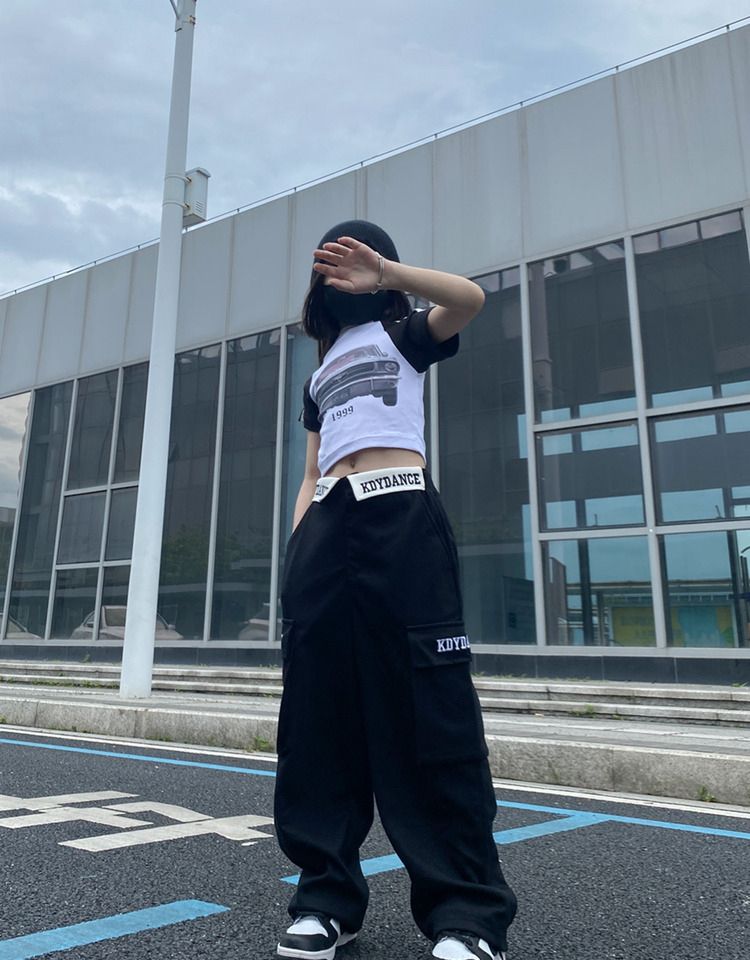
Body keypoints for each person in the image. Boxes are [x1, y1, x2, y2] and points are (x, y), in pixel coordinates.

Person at [274, 220, 517, 960]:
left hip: (401, 514)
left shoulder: (405, 335)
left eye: (355, 259)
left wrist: (386, 273)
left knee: (428, 709)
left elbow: (469, 299)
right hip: (327, 529)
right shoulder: (318, 375)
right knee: (316, 716)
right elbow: (311, 472)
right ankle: (325, 899)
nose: (342, 274)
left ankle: (467, 915)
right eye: (331, 265)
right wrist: (298, 550)